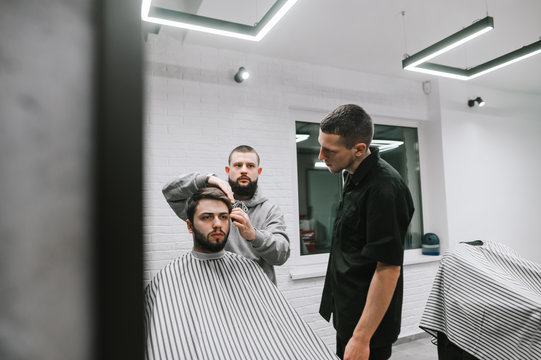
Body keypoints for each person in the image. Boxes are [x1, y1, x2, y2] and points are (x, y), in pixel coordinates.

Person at [144, 187, 337, 360]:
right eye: (206, 217)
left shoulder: (249, 269)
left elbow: (283, 335)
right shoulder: (165, 281)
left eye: (223, 217)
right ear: (189, 225)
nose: (217, 224)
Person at [317, 105, 414, 360]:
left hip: (368, 328)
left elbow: (389, 268)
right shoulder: (354, 177)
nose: (320, 155)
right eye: (321, 146)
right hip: (349, 314)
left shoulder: (385, 189)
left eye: (330, 150)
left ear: (359, 149)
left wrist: (361, 338)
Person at [162, 145, 290, 284]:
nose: (244, 170)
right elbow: (171, 192)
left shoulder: (270, 211)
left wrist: (253, 234)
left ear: (258, 171)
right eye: (238, 165)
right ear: (228, 170)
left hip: (259, 296)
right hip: (216, 292)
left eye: (250, 166)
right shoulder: (210, 204)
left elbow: (281, 255)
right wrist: (206, 179)